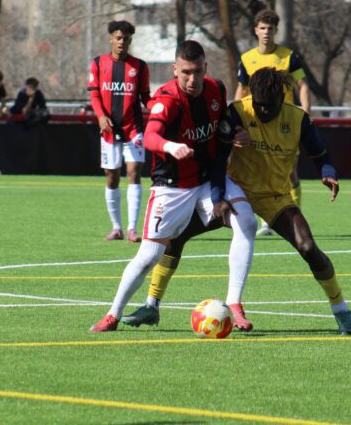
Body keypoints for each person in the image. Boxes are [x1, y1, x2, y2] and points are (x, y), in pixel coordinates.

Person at [124, 68, 351, 336]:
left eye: (269, 106)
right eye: (258, 104)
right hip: (235, 191)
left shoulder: (298, 119)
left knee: (308, 247)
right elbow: (216, 157)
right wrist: (216, 197)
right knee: (175, 237)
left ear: (282, 100)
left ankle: (341, 310)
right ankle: (152, 305)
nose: (263, 111)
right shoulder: (238, 112)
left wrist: (328, 174)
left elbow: (321, 155)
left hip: (275, 197)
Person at [89, 40, 240, 333]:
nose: (192, 79)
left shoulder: (216, 89)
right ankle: (112, 315)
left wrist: (238, 131)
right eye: (185, 72)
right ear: (175, 70)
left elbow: (224, 120)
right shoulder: (166, 99)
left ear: (206, 68)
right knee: (149, 256)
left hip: (207, 182)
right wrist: (171, 146)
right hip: (172, 188)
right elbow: (150, 137)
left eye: (197, 72)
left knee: (244, 220)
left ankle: (235, 303)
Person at [235, 9, 310, 237]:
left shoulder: (288, 56)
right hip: (256, 123)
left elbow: (303, 86)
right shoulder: (247, 59)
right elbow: (242, 89)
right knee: (257, 169)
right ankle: (266, 221)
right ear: (256, 30)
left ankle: (294, 215)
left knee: (290, 172)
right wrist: (236, 118)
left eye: (271, 28)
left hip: (284, 123)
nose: (267, 32)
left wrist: (305, 113)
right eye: (263, 28)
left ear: (276, 31)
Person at [87, 20, 151, 243]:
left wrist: (160, 109)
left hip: (133, 130)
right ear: (111, 39)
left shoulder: (140, 67)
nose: (122, 42)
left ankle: (133, 229)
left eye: (126, 38)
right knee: (111, 177)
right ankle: (117, 228)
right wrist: (101, 116)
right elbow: (94, 94)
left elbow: (145, 97)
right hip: (109, 130)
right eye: (118, 37)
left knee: (134, 173)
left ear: (130, 40)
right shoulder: (98, 63)